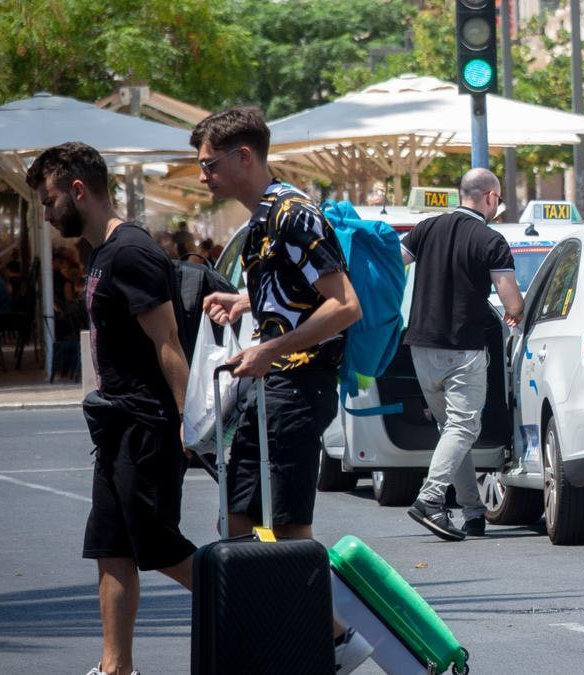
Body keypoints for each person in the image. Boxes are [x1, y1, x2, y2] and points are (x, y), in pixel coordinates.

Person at [190, 106, 371, 672]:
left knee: (290, 525)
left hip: (297, 385)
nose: (203, 176)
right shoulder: (264, 216)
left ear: (244, 156)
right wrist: (245, 303)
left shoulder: (294, 213)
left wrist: (270, 347)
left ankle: (334, 641)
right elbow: (294, 292)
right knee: (237, 518)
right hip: (274, 384)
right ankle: (276, 635)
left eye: (210, 164)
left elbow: (345, 306)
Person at [27, 142, 196, 675]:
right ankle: (115, 668)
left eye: (50, 202)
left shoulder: (131, 252)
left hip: (146, 425)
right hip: (115, 423)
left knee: (161, 548)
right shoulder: (102, 254)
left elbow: (168, 340)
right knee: (110, 547)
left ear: (79, 190)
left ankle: (275, 603)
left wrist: (191, 422)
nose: (48, 214)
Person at [402, 168, 525, 541]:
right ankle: (430, 498)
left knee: (451, 430)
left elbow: (393, 264)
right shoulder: (491, 240)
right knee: (463, 428)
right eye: (499, 201)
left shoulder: (426, 229)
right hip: (463, 348)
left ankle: (473, 512)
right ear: (490, 197)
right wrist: (517, 311)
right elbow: (511, 301)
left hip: (420, 346)